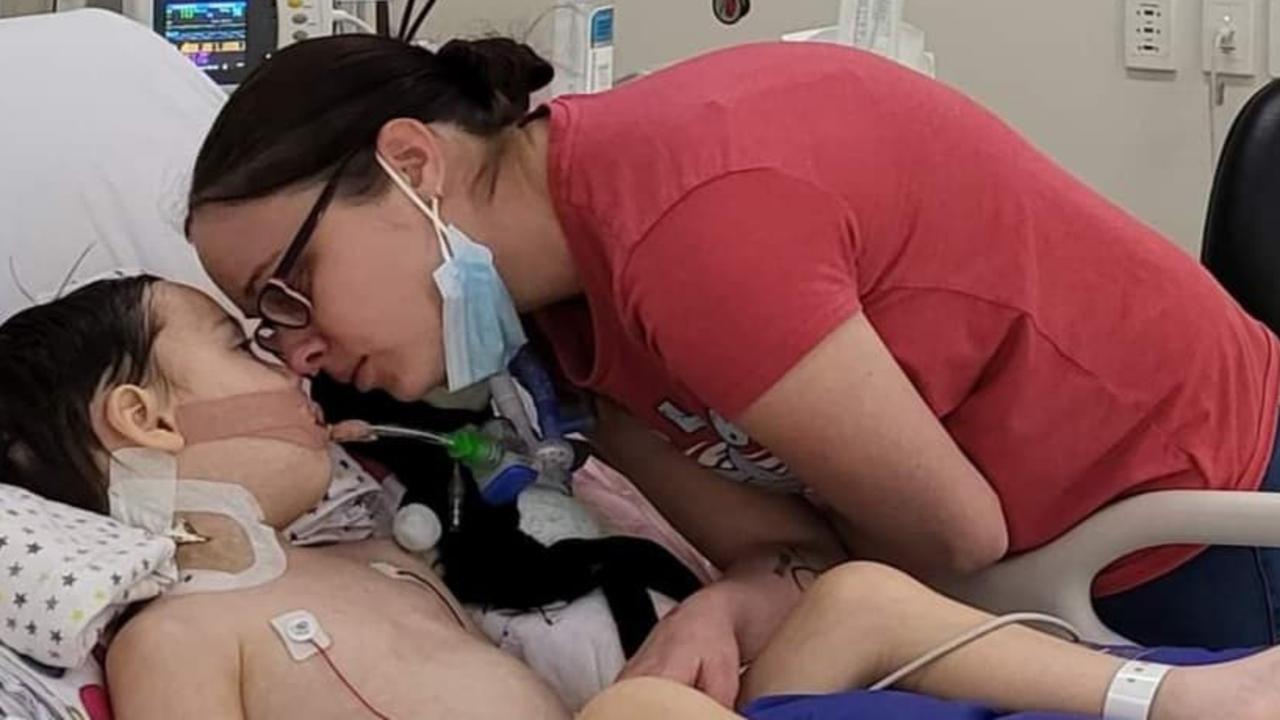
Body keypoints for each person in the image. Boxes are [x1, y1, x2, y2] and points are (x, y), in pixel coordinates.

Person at [184, 32, 1280, 705]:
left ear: (414, 162)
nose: (299, 353)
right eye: (258, 330)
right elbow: (779, 545)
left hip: (1185, 514)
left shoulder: (686, 229)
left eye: (288, 292)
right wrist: (730, 605)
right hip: (1027, 567)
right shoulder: (560, 327)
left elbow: (950, 534)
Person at [3, 278, 1280, 719]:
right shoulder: (176, 633)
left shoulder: (375, 555)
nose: (288, 364)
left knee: (854, 603)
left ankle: (1184, 694)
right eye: (237, 346)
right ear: (146, 419)